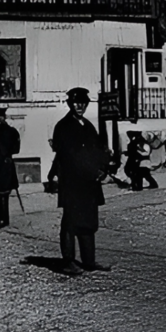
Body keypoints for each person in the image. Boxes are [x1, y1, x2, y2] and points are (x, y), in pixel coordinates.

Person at [47, 87, 108, 275]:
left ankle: (89, 261)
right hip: (73, 182)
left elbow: (98, 149)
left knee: (88, 221)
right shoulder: (63, 126)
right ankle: (68, 261)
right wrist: (90, 170)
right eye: (75, 103)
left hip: (89, 183)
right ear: (69, 104)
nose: (79, 106)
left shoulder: (88, 125)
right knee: (71, 222)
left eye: (83, 103)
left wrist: (103, 169)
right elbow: (70, 156)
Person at [0, 107, 22, 229]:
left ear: (4, 117)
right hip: (4, 164)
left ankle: (2, 219)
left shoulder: (4, 131)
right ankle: (2, 218)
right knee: (0, 191)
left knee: (1, 192)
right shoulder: (6, 131)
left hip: (2, 165)